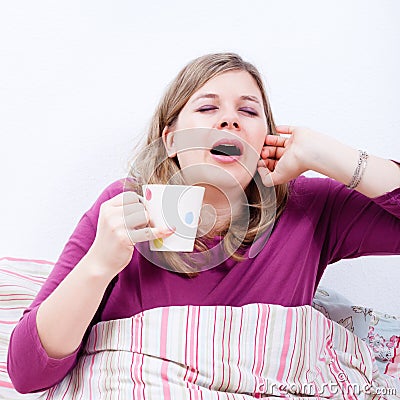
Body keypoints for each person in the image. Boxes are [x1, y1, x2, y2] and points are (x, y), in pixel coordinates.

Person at [7, 52, 400, 395]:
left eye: (248, 111)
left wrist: (330, 155)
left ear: (266, 138)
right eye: (208, 108)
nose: (230, 120)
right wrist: (98, 266)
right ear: (172, 140)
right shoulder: (123, 207)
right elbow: (27, 374)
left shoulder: (307, 206)